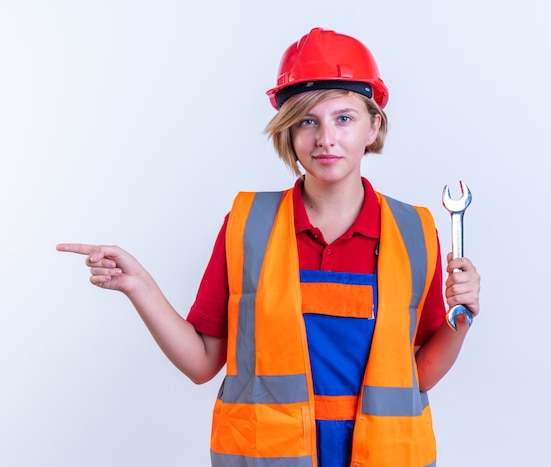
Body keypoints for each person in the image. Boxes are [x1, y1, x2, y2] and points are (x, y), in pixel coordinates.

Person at [57, 27, 480, 467]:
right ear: (288, 131)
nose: (325, 138)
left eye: (344, 118)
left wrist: (461, 318)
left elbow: (419, 375)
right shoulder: (248, 227)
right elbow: (202, 363)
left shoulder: (413, 232)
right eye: (307, 121)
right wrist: (139, 285)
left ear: (374, 126)